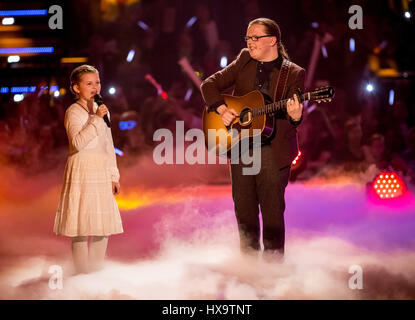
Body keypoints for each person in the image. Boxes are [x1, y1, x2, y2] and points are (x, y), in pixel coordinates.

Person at [200, 18, 305, 260]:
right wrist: (221, 109)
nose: (250, 42)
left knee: (271, 215)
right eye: (248, 38)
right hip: (240, 145)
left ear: (272, 40)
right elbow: (209, 86)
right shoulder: (244, 59)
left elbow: (294, 114)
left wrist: (297, 117)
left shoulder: (293, 73)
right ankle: (249, 269)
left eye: (255, 37)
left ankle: (273, 269)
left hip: (272, 148)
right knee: (244, 213)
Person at [54, 65, 123, 274]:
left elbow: (108, 145)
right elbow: (77, 142)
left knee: (103, 227)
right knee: (82, 228)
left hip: (100, 169)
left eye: (97, 82)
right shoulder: (73, 112)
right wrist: (95, 119)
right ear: (76, 88)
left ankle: (96, 273)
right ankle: (81, 274)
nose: (95, 87)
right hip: (82, 169)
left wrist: (113, 175)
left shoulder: (102, 110)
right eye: (89, 83)